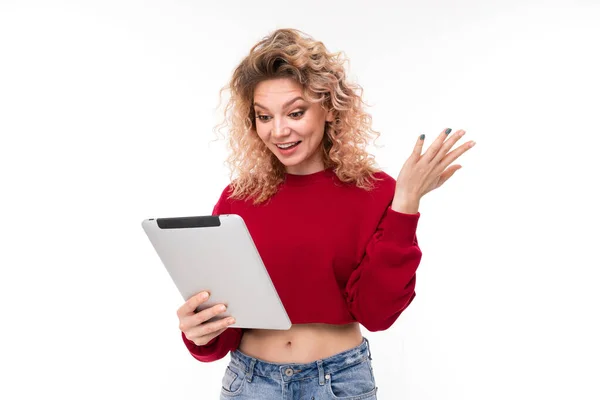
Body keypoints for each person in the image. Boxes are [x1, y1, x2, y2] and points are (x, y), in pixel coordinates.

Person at [176, 28, 475, 399]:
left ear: (329, 107)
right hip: (250, 383)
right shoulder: (239, 199)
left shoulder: (376, 191)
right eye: (264, 116)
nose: (279, 130)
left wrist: (406, 202)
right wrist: (199, 331)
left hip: (339, 383)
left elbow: (378, 314)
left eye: (295, 112)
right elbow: (224, 331)